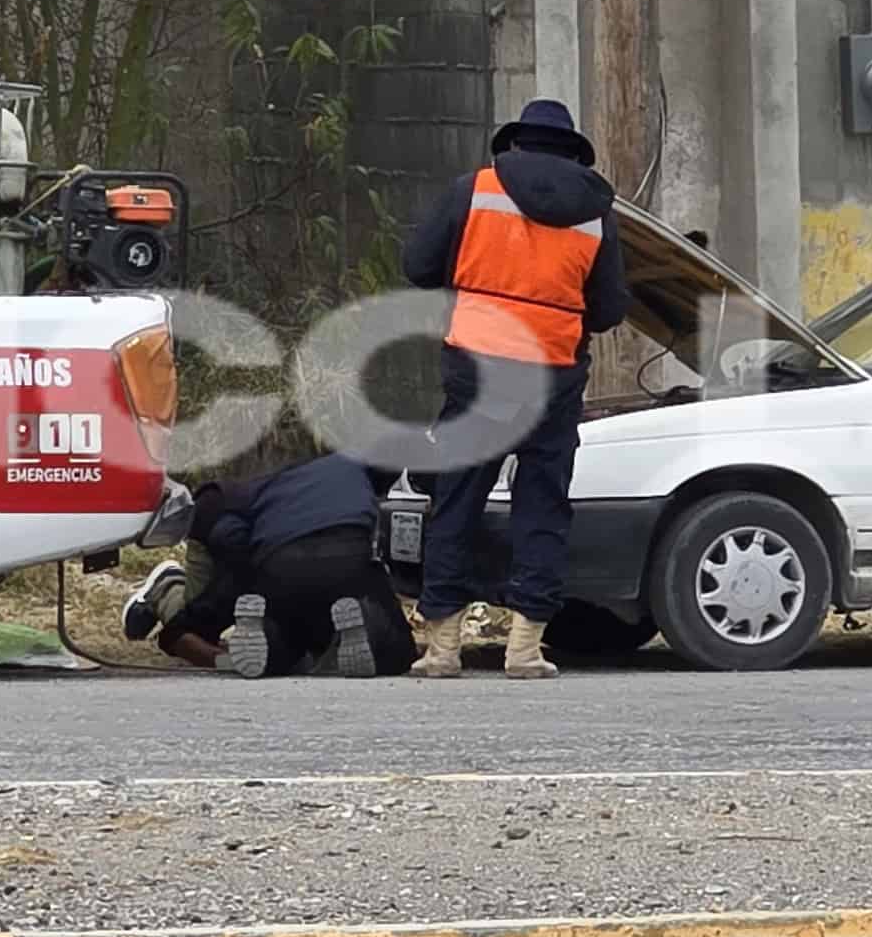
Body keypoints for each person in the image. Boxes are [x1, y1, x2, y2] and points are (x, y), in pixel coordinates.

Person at [400, 98, 627, 678]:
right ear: (572, 152)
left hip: (477, 369)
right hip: (552, 373)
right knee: (542, 505)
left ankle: (443, 650)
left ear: (518, 144)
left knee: (455, 501)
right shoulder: (595, 211)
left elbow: (418, 265)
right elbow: (607, 310)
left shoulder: (474, 188)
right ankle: (524, 648)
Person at [121, 453, 418, 679]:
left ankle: (269, 641)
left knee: (287, 631)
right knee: (400, 649)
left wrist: (214, 654)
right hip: (348, 559)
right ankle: (366, 630)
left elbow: (231, 543)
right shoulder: (354, 474)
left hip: (277, 564)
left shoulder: (261, 490)